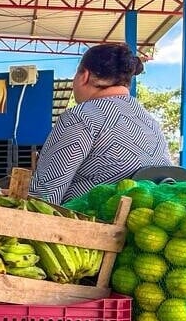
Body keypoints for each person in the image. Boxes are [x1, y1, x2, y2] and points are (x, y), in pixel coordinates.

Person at [30, 43, 171, 205]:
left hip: (93, 225)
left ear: (85, 76)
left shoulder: (80, 117)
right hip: (148, 226)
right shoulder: (150, 121)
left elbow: (44, 194)